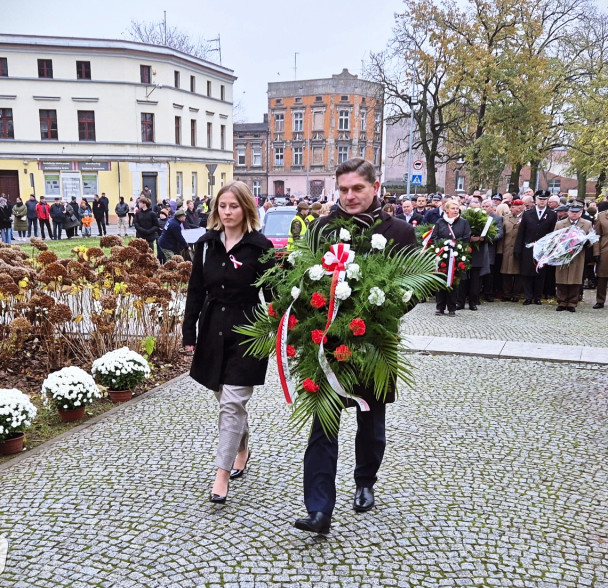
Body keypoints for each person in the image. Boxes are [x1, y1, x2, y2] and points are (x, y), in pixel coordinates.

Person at [292, 158, 416, 536]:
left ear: (374, 187)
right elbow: (303, 277)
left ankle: (365, 481)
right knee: (323, 425)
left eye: (357, 189)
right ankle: (318, 510)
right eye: (343, 189)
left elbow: (413, 290)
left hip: (374, 344)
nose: (349, 196)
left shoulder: (399, 233)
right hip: (328, 345)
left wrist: (378, 305)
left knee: (371, 421)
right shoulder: (322, 229)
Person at [182, 181, 273, 504]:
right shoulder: (206, 244)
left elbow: (272, 295)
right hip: (212, 329)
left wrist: (281, 330)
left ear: (246, 208)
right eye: (223, 206)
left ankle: (221, 475)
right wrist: (188, 332)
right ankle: (242, 448)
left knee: (233, 402)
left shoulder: (260, 248)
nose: (228, 212)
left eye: (234, 206)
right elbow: (195, 290)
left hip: (249, 331)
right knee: (227, 400)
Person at [515, 191, 557, 305]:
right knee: (526, 273)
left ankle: (537, 296)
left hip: (543, 249)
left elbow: (553, 233)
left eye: (544, 199)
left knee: (540, 273)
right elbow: (521, 232)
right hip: (528, 248)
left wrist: (551, 249)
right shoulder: (528, 213)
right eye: (540, 199)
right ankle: (528, 296)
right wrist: (518, 249)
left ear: (547, 200)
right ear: (535, 200)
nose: (542, 201)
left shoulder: (552, 214)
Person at [432, 199, 471, 316]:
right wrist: (444, 243)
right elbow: (434, 237)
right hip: (442, 255)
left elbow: (466, 237)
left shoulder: (463, 222)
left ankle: (452, 308)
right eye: (452, 208)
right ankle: (440, 307)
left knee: (454, 282)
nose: (455, 210)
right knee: (440, 281)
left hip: (457, 256)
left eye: (457, 208)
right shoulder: (440, 222)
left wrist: (454, 243)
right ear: (446, 210)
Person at [554, 201, 594, 312]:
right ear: (568, 212)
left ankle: (572, 302)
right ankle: (561, 301)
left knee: (575, 279)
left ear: (581, 212)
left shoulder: (587, 224)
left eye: (577, 212)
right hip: (563, 255)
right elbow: (554, 239)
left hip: (578, 255)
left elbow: (591, 238)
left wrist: (586, 243)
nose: (574, 214)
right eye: (572, 212)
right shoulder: (560, 224)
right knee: (561, 278)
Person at [498, 198, 525, 302]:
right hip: (507, 248)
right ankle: (506, 293)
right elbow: (502, 234)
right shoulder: (505, 218)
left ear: (519, 208)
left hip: (519, 249)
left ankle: (516, 294)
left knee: (518, 272)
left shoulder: (525, 217)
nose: (510, 209)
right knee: (506, 271)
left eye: (513, 207)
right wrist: (500, 250)